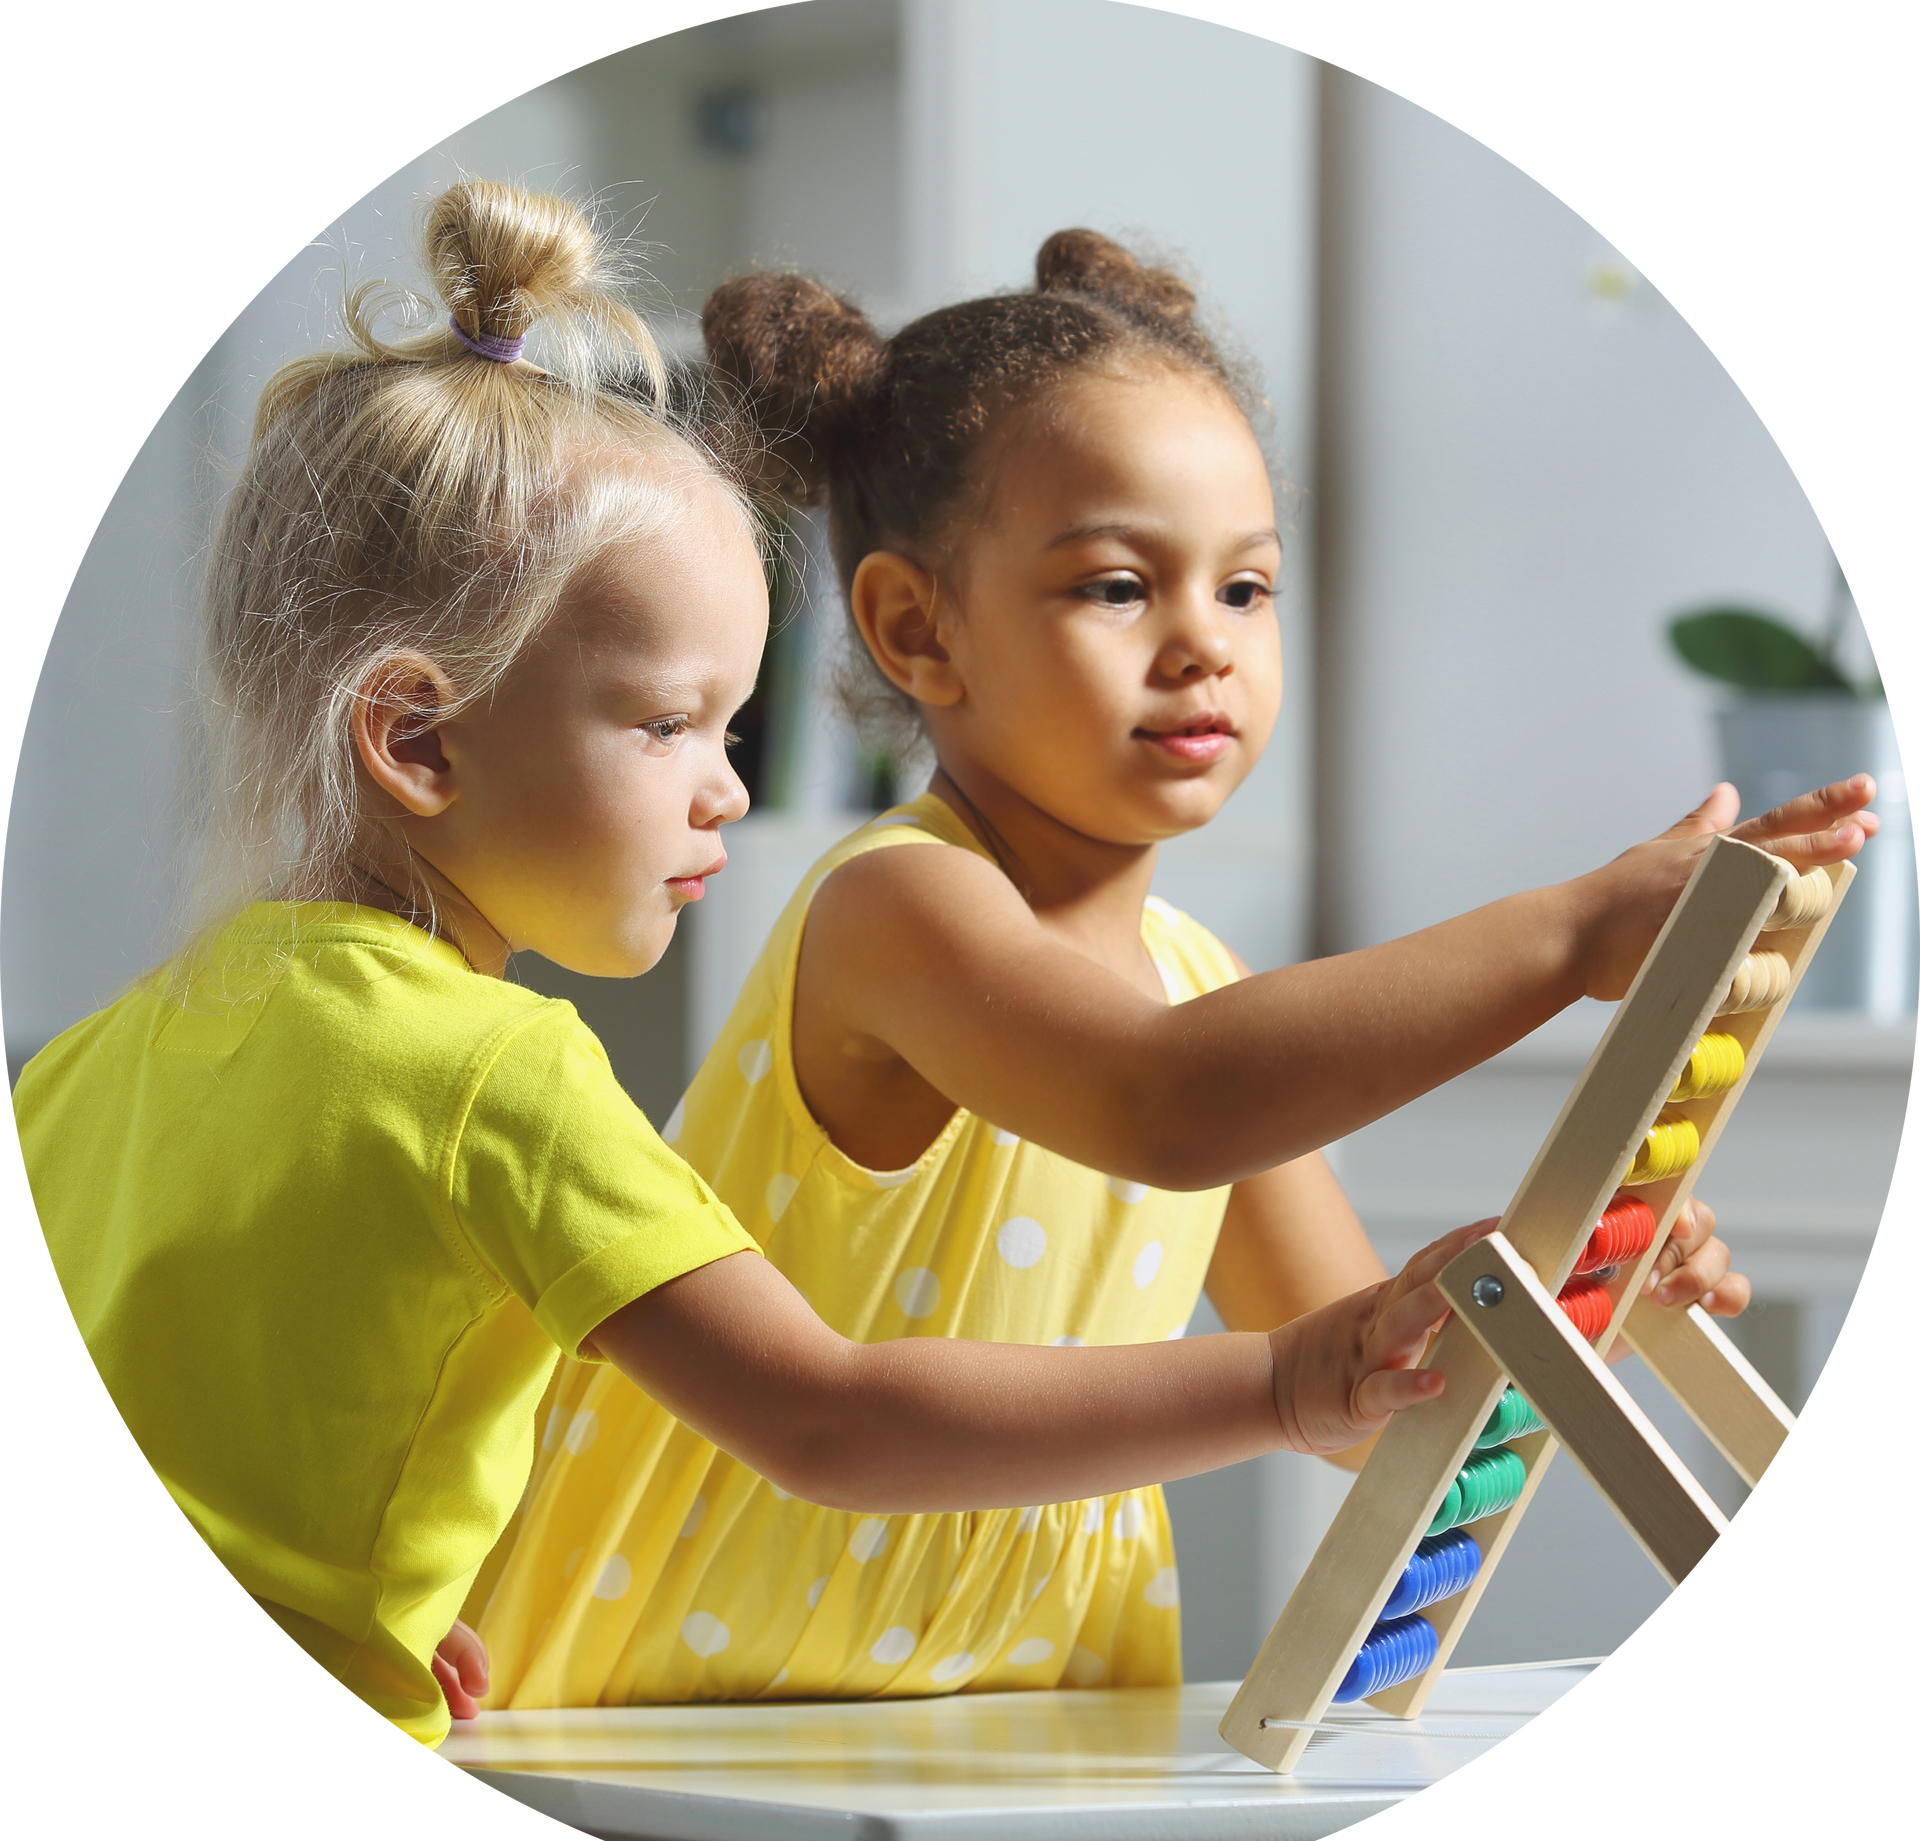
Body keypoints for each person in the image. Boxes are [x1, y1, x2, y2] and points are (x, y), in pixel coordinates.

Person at [16, 188, 1516, 1752]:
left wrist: (382, 1584)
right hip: (721, 1726)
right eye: (670, 726)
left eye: (731, 732)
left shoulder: (94, 1057)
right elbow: (828, 1413)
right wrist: (1279, 1386)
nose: (726, 788)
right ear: (417, 737)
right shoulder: (504, 1074)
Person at [466, 231, 1876, 1711]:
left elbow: (1367, 1398)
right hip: (663, 1709)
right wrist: (1572, 934)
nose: (1205, 644)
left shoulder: (1193, 978)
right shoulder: (897, 912)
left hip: (1020, 1718)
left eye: (1248, 590)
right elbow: (1164, 1102)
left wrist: (1588, 1265)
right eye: (1121, 587)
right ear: (913, 628)